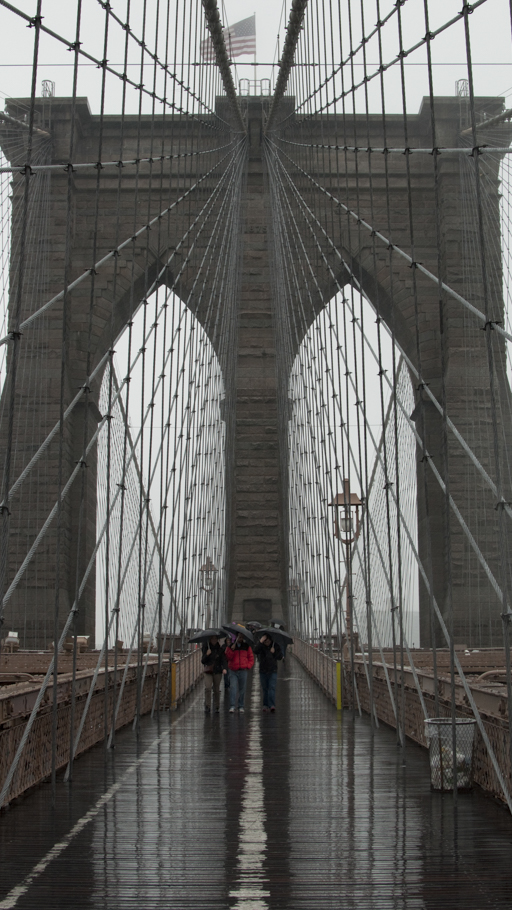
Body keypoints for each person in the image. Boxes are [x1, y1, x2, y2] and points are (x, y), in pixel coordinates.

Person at [225, 633, 254, 713]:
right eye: (238, 637)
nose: (240, 638)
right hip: (233, 670)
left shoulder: (246, 646)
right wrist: (231, 650)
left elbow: (251, 657)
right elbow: (228, 657)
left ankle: (241, 705)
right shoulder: (231, 646)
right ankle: (232, 705)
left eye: (241, 637)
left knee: (242, 689)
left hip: (243, 670)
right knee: (233, 688)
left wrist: (248, 666)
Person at [254, 633, 283, 713]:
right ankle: (265, 705)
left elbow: (280, 656)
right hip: (263, 670)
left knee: (272, 687)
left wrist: (274, 652)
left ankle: (272, 705)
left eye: (268, 641)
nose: (267, 642)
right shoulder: (261, 646)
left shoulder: (275, 646)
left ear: (271, 640)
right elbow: (255, 651)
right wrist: (260, 642)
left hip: (272, 670)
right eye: (265, 641)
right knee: (265, 689)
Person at [201, 635, 227, 713]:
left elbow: (223, 659)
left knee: (216, 689)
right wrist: (207, 654)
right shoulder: (206, 648)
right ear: (210, 639)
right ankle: (208, 705)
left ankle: (217, 706)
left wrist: (224, 668)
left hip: (217, 671)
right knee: (208, 688)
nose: (214, 640)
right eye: (212, 638)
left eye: (215, 638)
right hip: (208, 671)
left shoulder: (220, 649)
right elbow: (203, 661)